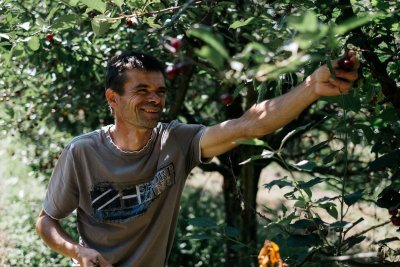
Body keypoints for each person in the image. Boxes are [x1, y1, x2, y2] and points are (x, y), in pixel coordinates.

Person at [36, 51, 359, 267]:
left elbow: (251, 124)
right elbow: (46, 220)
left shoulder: (176, 140)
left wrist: (311, 88)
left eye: (160, 91)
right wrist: (77, 251)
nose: (154, 99)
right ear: (113, 98)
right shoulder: (82, 151)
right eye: (142, 90)